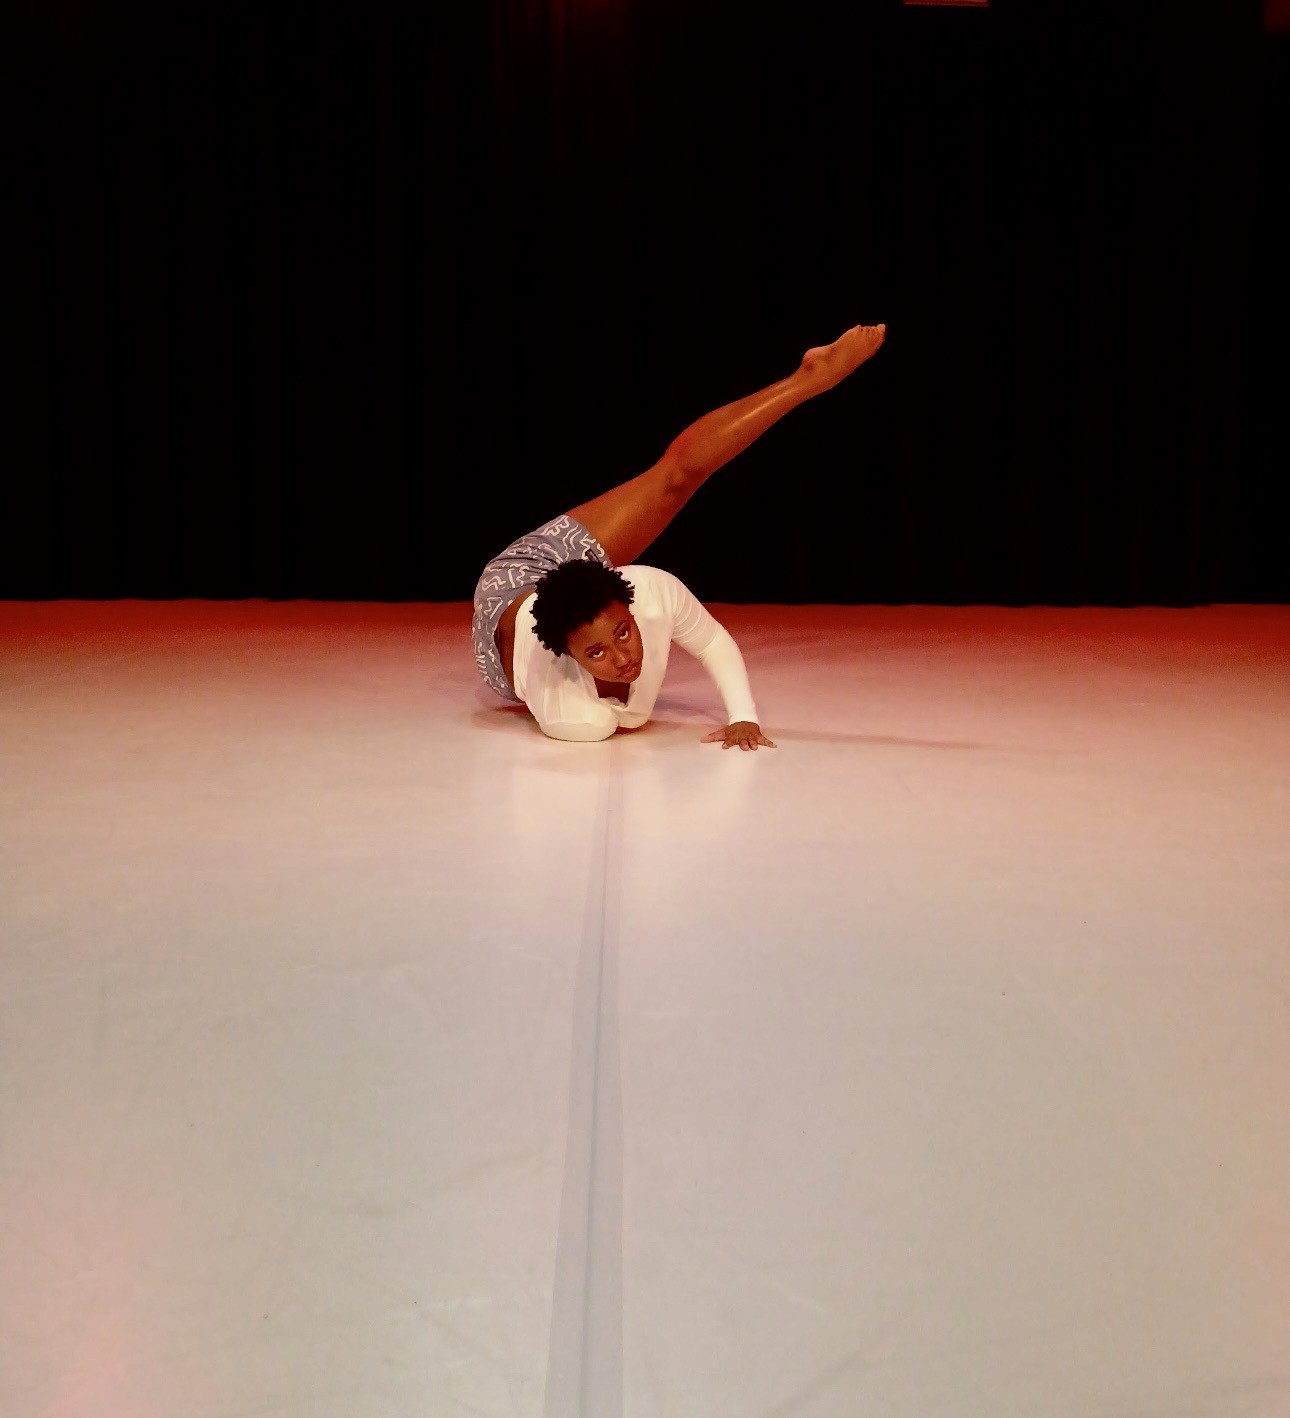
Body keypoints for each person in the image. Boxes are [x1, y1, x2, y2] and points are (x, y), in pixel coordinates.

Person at [472, 323, 887, 748]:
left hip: (527, 568)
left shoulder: (650, 590)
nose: (623, 657)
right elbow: (620, 719)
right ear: (566, 652)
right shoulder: (561, 697)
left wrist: (742, 715)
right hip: (521, 613)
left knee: (673, 480)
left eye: (623, 632)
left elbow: (709, 642)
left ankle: (810, 377)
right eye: (597, 653)